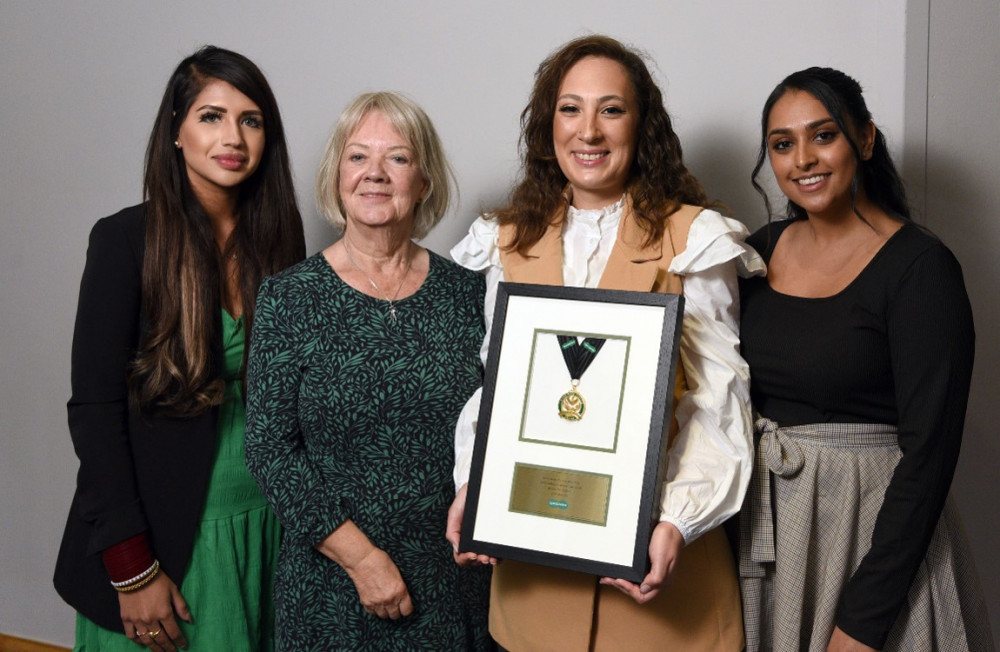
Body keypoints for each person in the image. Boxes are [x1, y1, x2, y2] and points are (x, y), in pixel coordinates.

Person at [445, 35, 763, 651]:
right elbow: (500, 389)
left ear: (641, 125)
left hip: (663, 584)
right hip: (535, 590)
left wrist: (677, 523)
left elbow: (717, 400)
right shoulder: (505, 240)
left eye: (611, 109)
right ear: (548, 124)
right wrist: (473, 486)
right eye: (570, 109)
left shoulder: (695, 238)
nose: (588, 131)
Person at [54, 46, 305, 651]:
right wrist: (131, 565)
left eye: (251, 120)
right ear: (175, 131)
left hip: (268, 523)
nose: (234, 137)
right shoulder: (123, 241)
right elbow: (94, 411)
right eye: (211, 116)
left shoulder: (280, 237)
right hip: (167, 536)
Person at [738, 66, 993, 652]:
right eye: (783, 144)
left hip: (870, 540)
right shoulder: (756, 252)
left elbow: (929, 455)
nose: (802, 158)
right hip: (770, 537)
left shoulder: (920, 268)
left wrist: (863, 622)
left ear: (866, 140)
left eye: (823, 136)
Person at [245, 91, 493, 651]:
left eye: (398, 158)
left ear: (424, 180)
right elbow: (269, 451)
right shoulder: (288, 298)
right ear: (337, 175)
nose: (375, 174)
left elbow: (496, 427)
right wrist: (363, 561)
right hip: (333, 587)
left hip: (455, 579)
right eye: (358, 157)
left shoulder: (469, 294)